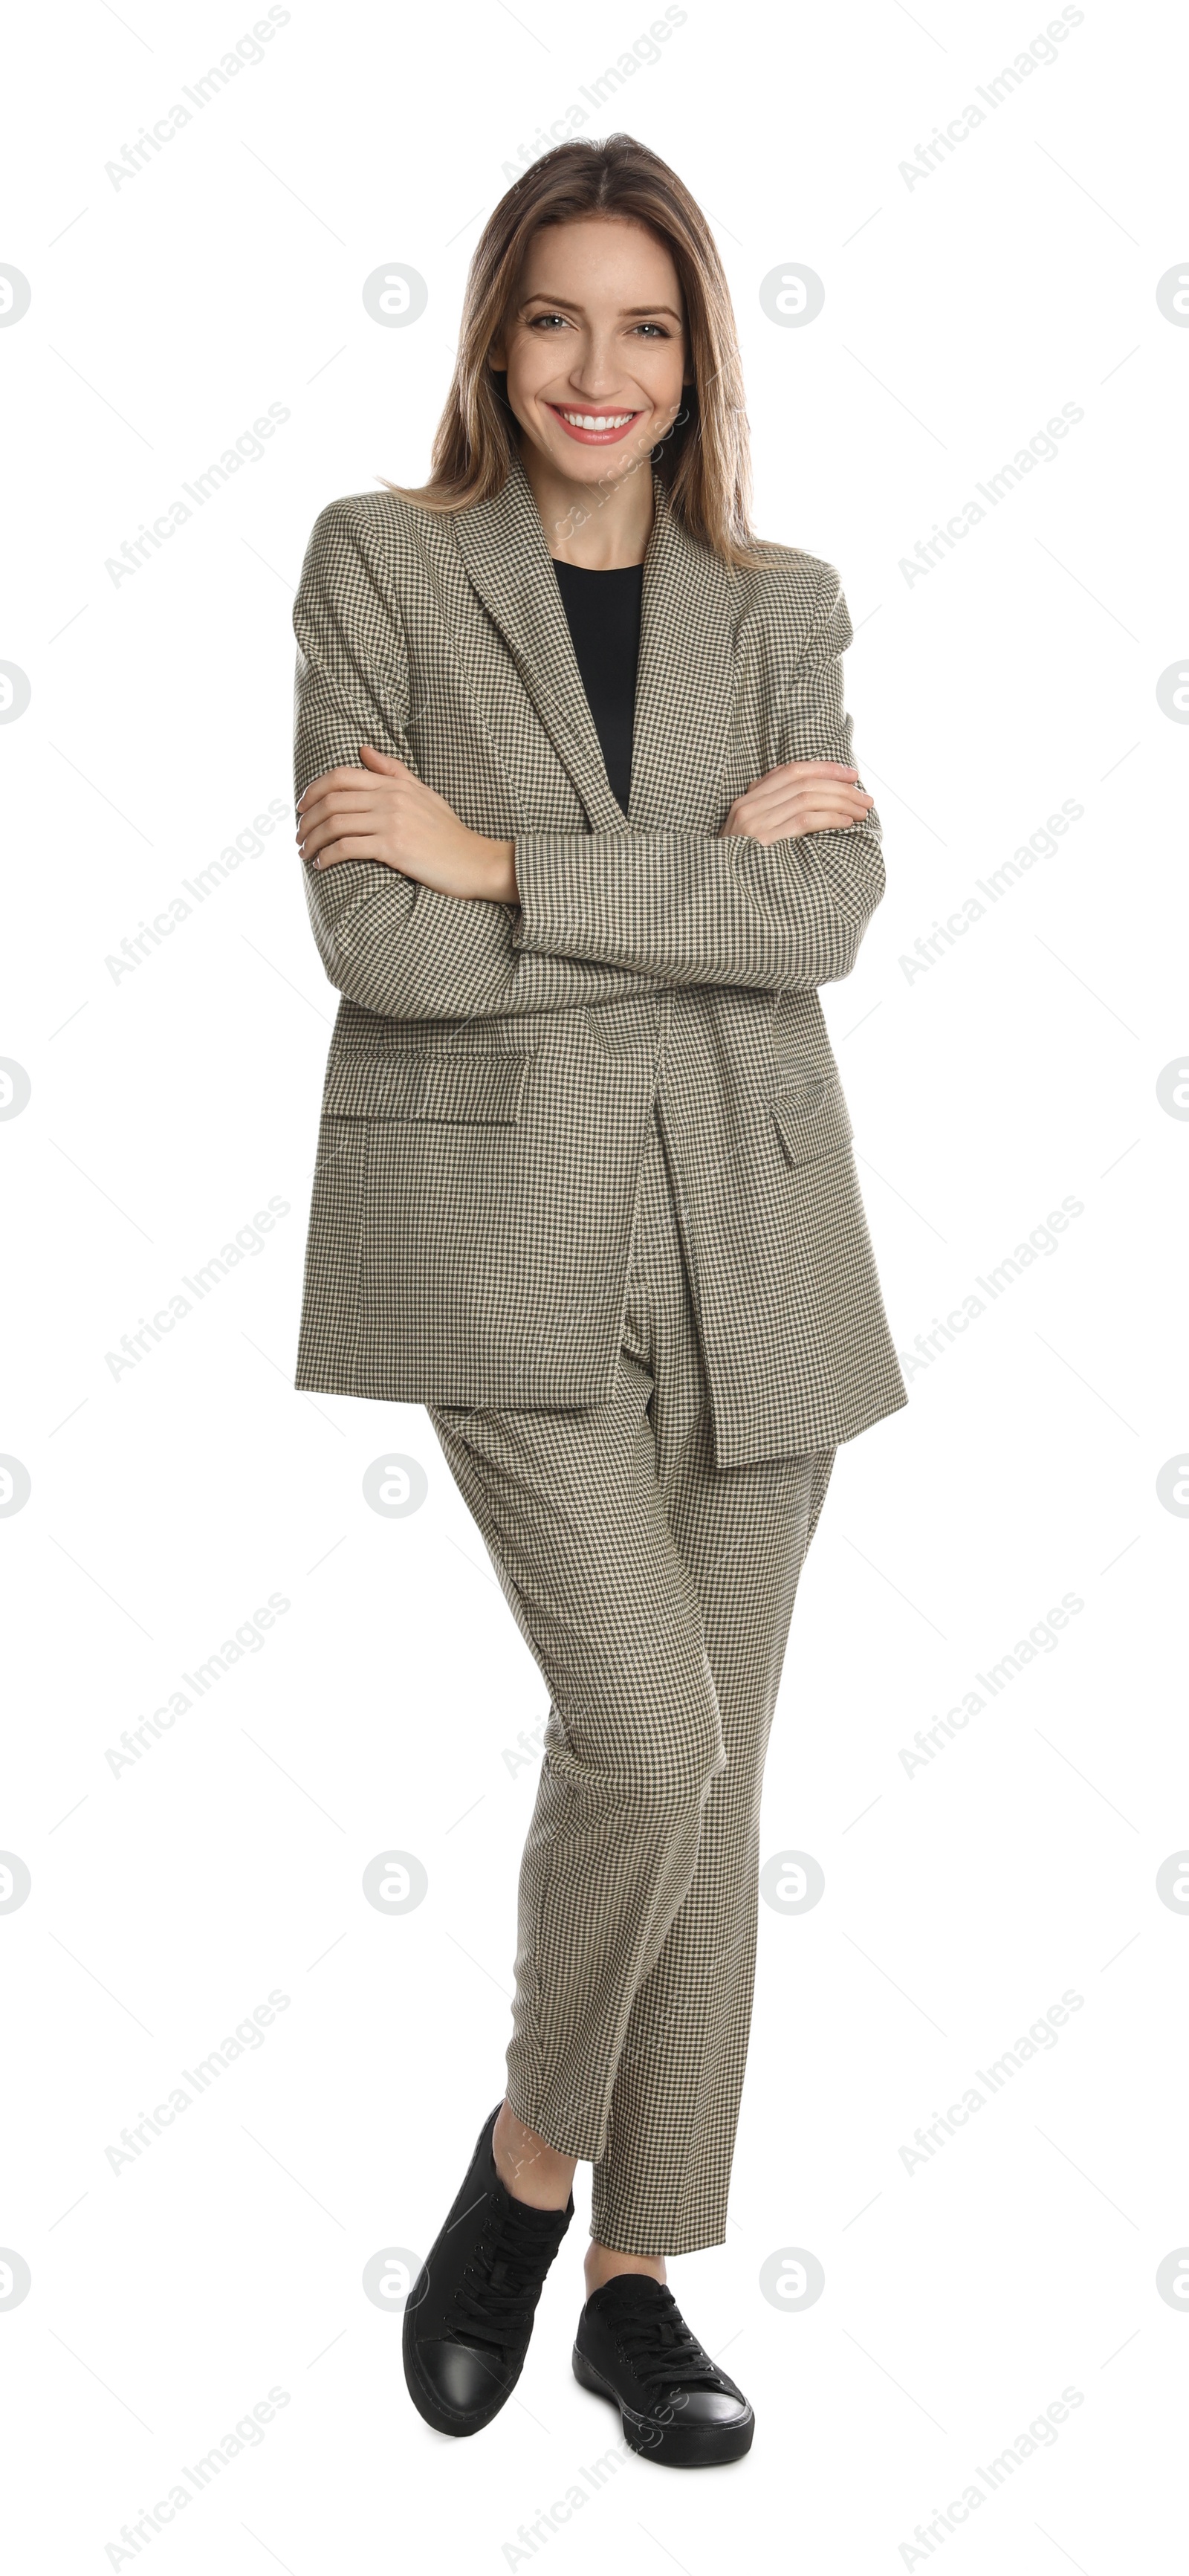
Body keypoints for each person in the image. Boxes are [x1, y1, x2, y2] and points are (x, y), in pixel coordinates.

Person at [291, 132, 907, 2467]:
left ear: (699, 356)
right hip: (494, 1248)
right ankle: (522, 2173)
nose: (599, 369)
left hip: (762, 1251)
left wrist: (510, 855)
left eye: (647, 326)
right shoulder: (380, 565)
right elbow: (382, 943)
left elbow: (825, 918)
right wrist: (666, 892)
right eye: (558, 317)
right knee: (648, 1732)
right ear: (494, 334)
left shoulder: (786, 607)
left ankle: (630, 2270)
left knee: (707, 1787)